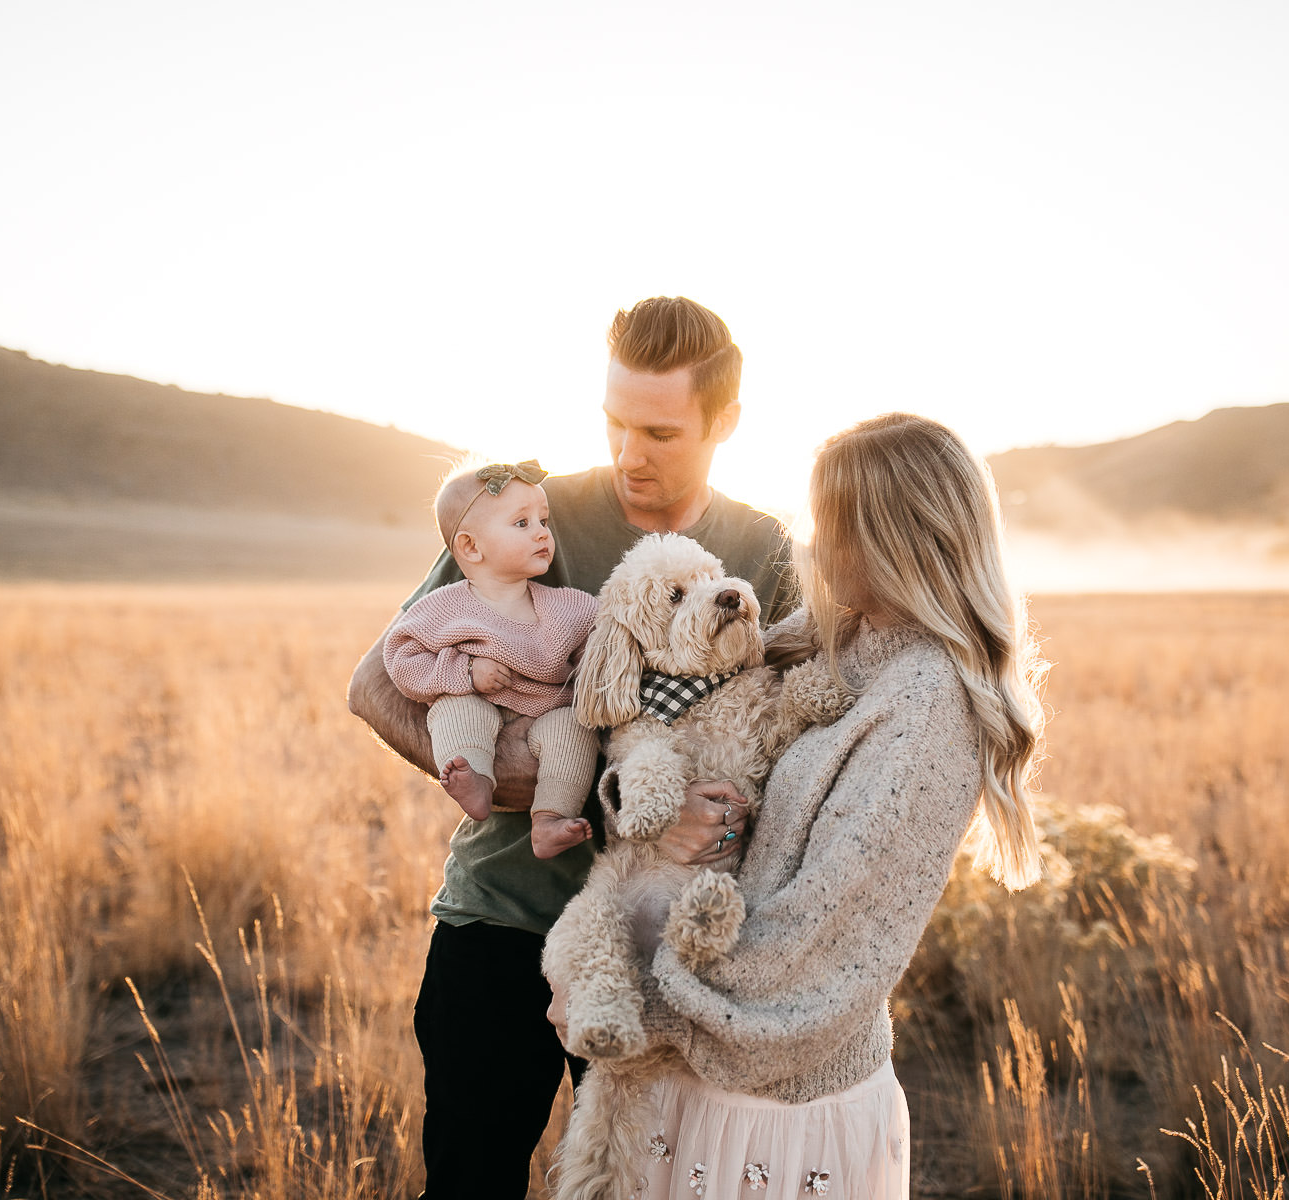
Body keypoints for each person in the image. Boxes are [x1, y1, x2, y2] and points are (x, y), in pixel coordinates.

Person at [347, 296, 799, 1200]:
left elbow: (778, 741)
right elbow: (374, 687)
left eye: (661, 432)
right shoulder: (530, 515)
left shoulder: (762, 549)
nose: (631, 452)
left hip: (658, 947)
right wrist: (517, 778)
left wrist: (713, 821)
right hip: (499, 922)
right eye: (615, 422)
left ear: (727, 423)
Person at [547, 413, 1047, 1199]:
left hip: (778, 1110)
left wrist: (638, 1003)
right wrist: (640, 803)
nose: (810, 543)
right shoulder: (839, 635)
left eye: (831, 524)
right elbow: (691, 708)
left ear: (894, 538)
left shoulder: (925, 707)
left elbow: (821, 946)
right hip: (703, 1073)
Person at [382, 458, 599, 858]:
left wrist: (590, 660)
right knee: (456, 710)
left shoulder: (567, 606)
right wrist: (464, 671)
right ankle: (475, 778)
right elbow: (401, 657)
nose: (542, 534)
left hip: (545, 713)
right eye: (522, 523)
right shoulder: (443, 608)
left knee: (573, 730)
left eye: (543, 521)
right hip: (479, 701)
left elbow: (598, 641)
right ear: (470, 546)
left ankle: (550, 817)